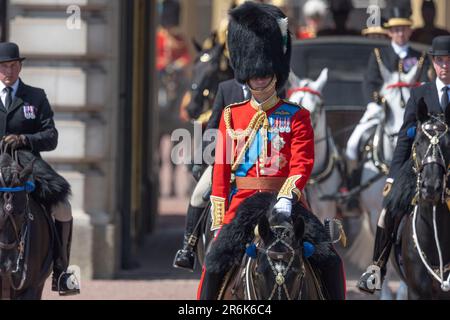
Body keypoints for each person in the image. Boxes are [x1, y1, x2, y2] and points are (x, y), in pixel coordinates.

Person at [197, 1, 345, 300]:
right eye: (255, 74)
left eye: (265, 73)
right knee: (214, 266)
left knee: (330, 260)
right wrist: (219, 220)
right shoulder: (231, 115)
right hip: (243, 205)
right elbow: (223, 171)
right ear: (246, 75)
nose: (260, 78)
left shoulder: (297, 116)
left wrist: (287, 198)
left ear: (276, 73)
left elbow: (302, 163)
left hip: (287, 202)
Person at [358, 35, 450, 294]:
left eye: (449, 61)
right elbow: (405, 135)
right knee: (389, 209)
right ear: (433, 62)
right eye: (440, 61)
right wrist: (393, 176)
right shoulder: (421, 92)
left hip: (449, 168)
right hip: (420, 166)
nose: (445, 66)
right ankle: (376, 268)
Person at [0, 42, 79, 295]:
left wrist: (25, 140)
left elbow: (51, 136)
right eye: (3, 66)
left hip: (26, 164)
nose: (8, 71)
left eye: (13, 65)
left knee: (62, 206)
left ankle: (61, 273)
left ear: (20, 66)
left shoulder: (35, 96)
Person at [345, 6, 430, 195]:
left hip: (412, 108)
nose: (400, 33)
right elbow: (370, 81)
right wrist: (376, 102)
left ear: (409, 31)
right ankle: (351, 185)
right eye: (396, 30)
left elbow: (425, 83)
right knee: (352, 143)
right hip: (383, 106)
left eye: (403, 29)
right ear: (390, 32)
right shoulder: (378, 54)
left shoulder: (420, 56)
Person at [173, 78, 250, 271]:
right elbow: (214, 125)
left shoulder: (272, 88)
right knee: (198, 196)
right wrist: (202, 158)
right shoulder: (226, 88)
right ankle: (188, 248)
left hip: (259, 164)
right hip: (225, 160)